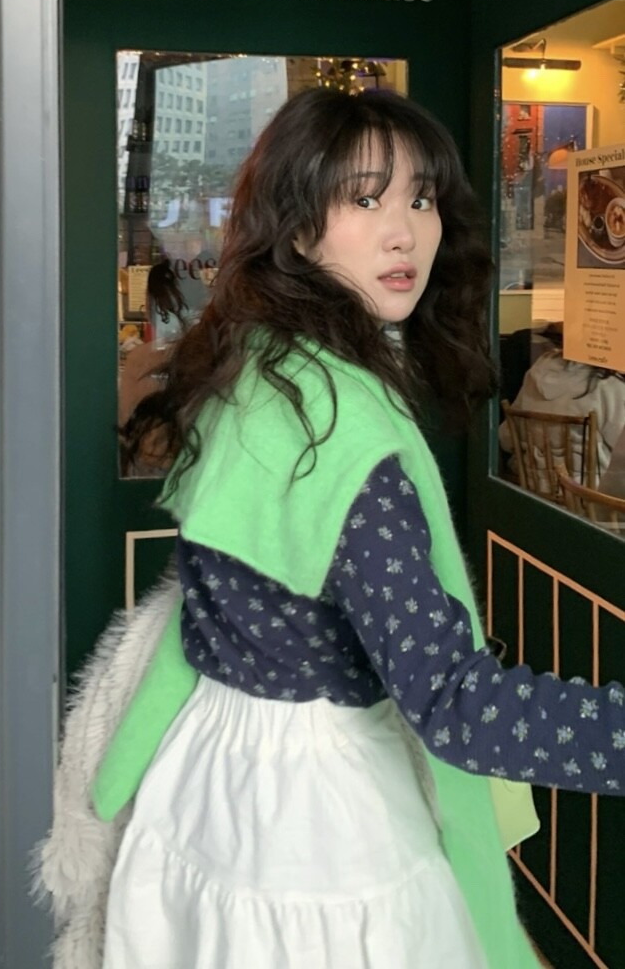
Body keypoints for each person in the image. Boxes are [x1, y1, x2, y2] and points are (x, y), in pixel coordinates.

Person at [87, 89, 625, 968]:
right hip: (318, 832)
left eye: (421, 198)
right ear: (298, 229)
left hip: (212, 785)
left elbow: (216, 608)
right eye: (365, 199)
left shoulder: (253, 368)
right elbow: (454, 703)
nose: (404, 232)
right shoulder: (340, 432)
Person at [498, 346, 625, 487]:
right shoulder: (610, 386)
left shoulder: (537, 371)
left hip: (531, 486)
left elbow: (506, 439)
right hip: (585, 493)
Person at [118, 256, 189, 475]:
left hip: (146, 473)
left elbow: (125, 424)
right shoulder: (211, 358)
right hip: (191, 471)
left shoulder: (140, 359)